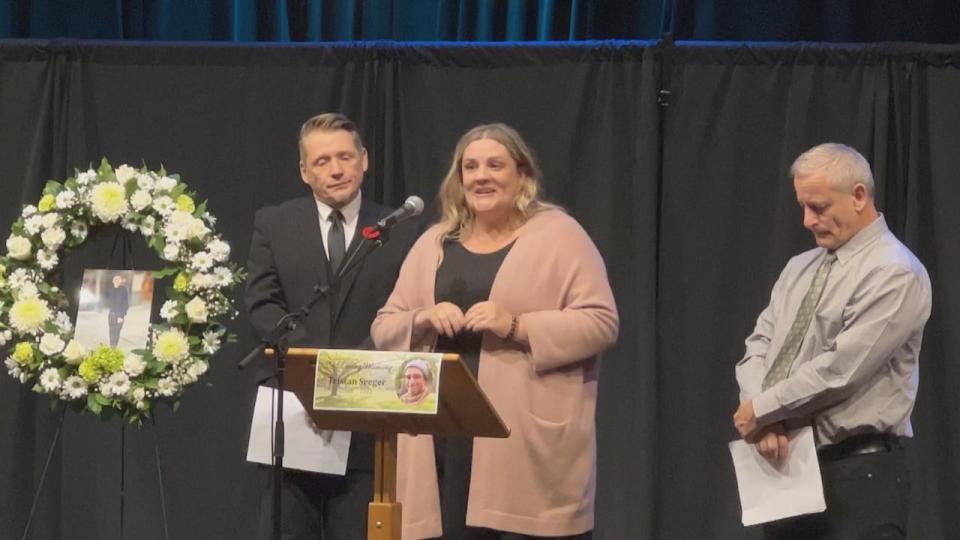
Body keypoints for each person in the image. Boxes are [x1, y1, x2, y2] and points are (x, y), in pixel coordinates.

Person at [371, 123, 619, 539]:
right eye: (470, 166)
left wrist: (518, 325)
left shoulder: (559, 234)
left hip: (524, 445)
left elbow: (601, 321)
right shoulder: (434, 242)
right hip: (442, 446)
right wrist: (423, 318)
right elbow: (384, 326)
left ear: (522, 175)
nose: (480, 175)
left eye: (494, 165)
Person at [732, 143, 932, 539]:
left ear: (859, 196)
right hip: (790, 470)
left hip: (859, 476)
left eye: (819, 207)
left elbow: (842, 370)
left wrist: (764, 408)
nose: (807, 220)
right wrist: (760, 417)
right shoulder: (799, 268)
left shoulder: (894, 272)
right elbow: (760, 342)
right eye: (803, 207)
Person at [245, 112, 419, 540]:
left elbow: (406, 310)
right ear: (304, 171)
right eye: (322, 161)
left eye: (345, 157)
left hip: (369, 416)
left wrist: (349, 377)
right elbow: (263, 305)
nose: (336, 169)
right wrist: (316, 373)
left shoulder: (402, 229)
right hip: (295, 412)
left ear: (365, 160)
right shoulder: (274, 223)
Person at [105, 273, 129, 348]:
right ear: (113, 280)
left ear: (121, 280)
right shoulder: (110, 290)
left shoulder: (124, 289)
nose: (117, 281)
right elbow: (108, 302)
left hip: (119, 315)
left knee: (116, 332)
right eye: (115, 279)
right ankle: (112, 347)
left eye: (119, 279)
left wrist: (121, 316)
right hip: (111, 315)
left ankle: (114, 347)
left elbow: (126, 304)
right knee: (111, 332)